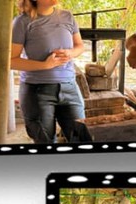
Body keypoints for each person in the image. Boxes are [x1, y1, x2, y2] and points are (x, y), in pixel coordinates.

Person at [11, 0, 85, 143]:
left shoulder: (67, 16)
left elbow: (79, 46)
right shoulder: (22, 21)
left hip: (70, 87)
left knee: (82, 138)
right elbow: (11, 60)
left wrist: (71, 53)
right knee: (46, 144)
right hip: (37, 91)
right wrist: (45, 65)